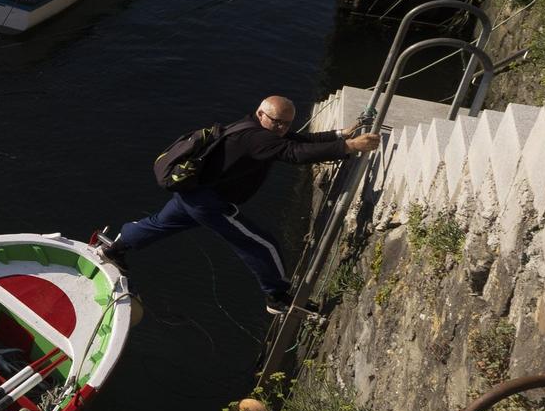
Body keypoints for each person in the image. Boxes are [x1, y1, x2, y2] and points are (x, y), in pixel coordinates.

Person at [96, 96, 381, 315]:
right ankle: (278, 297)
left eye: (286, 123)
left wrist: (339, 135)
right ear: (261, 113)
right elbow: (294, 153)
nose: (281, 128)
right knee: (262, 245)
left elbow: (295, 140)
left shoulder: (250, 128)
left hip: (191, 193)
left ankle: (115, 249)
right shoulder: (256, 138)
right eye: (276, 121)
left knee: (159, 224)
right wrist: (349, 147)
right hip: (209, 202)